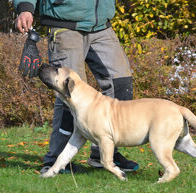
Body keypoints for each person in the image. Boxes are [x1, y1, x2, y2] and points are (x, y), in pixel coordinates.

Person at [13, 0, 139, 174]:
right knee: (69, 93)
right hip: (65, 24)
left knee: (120, 84)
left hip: (101, 25)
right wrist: (25, 8)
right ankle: (56, 159)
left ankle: (103, 153)